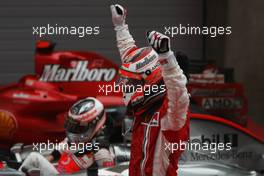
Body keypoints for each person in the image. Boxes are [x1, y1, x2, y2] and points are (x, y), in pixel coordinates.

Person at [110, 4, 190, 176]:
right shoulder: (144, 110)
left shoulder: (170, 116)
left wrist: (166, 56)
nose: (126, 87)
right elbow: (130, 57)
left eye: (131, 84)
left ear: (150, 81)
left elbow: (179, 94)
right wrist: (120, 25)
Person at [19, 97, 114, 176]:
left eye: (78, 127)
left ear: (95, 125)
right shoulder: (73, 142)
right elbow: (59, 150)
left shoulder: (101, 152)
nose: (73, 130)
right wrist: (47, 160)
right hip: (59, 172)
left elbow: (108, 172)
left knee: (34, 157)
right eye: (72, 125)